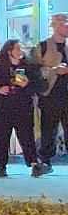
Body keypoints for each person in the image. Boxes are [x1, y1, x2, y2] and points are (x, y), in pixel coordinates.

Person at [0, 40, 46, 178]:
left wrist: (27, 84)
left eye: (22, 48)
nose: (21, 50)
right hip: (1, 107)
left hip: (22, 106)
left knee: (26, 136)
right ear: (9, 51)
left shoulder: (30, 68)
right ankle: (2, 165)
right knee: (2, 137)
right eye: (18, 48)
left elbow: (41, 87)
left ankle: (34, 163)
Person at [34, 12, 68, 171]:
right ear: (55, 26)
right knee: (48, 129)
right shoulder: (43, 46)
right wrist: (55, 70)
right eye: (63, 24)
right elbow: (34, 71)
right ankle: (45, 161)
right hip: (51, 95)